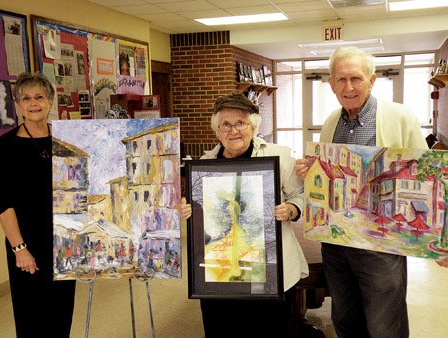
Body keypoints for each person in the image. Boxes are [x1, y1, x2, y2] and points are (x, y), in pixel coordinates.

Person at [295, 46, 430, 338]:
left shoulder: (400, 117)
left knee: (385, 323)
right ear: (331, 84)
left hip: (380, 244)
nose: (349, 87)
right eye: (341, 80)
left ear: (372, 80)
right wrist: (312, 170)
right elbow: (331, 174)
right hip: (336, 241)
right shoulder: (332, 121)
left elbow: (426, 175)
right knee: (345, 317)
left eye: (356, 78)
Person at [179, 93, 309, 337]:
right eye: (225, 125)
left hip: (270, 269)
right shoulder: (205, 163)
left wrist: (291, 209)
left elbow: (300, 196)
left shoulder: (278, 156)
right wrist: (189, 211)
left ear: (254, 126)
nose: (233, 131)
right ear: (217, 130)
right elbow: (202, 216)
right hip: (218, 272)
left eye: (241, 123)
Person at [0, 72, 76, 337]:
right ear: (18, 105)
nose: (33, 103)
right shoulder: (5, 147)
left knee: (62, 316)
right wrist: (19, 248)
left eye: (39, 97)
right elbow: (3, 202)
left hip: (66, 243)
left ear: (50, 102)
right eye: (26, 98)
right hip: (27, 243)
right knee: (31, 320)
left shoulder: (67, 141)